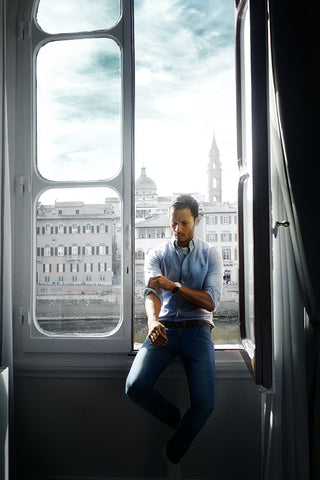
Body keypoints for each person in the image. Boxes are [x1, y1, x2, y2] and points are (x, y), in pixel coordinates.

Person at [125, 194, 223, 479]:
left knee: (205, 405)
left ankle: (172, 454)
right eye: (174, 223)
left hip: (198, 331)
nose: (178, 229)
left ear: (196, 220)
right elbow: (151, 292)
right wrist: (154, 322)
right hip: (164, 328)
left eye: (184, 223)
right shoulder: (156, 254)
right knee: (135, 387)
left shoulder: (211, 253)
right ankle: (174, 418)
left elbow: (211, 302)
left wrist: (176, 287)